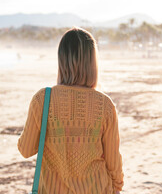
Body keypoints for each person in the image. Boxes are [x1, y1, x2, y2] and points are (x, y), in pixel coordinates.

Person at [18, 27, 124, 193]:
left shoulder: (43, 99)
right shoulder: (105, 105)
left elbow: (25, 150)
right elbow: (113, 160)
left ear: (61, 60)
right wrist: (117, 186)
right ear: (92, 63)